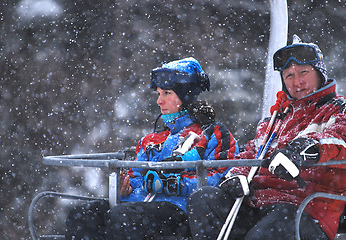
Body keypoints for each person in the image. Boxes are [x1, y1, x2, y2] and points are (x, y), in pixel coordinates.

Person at [187, 35, 346, 240]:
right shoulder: (275, 120)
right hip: (257, 205)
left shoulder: (338, 109)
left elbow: (339, 139)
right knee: (203, 199)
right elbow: (251, 154)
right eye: (289, 76)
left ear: (319, 73)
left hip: (305, 208)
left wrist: (304, 149)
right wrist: (235, 175)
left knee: (266, 232)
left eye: (303, 72)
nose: (297, 82)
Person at [65, 57, 239, 239]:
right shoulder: (150, 140)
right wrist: (128, 189)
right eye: (158, 94)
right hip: (141, 208)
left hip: (182, 211)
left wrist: (175, 185)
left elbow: (221, 179)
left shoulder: (212, 134)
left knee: (124, 218)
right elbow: (137, 177)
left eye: (166, 93)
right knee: (83, 215)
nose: (159, 101)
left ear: (185, 96)